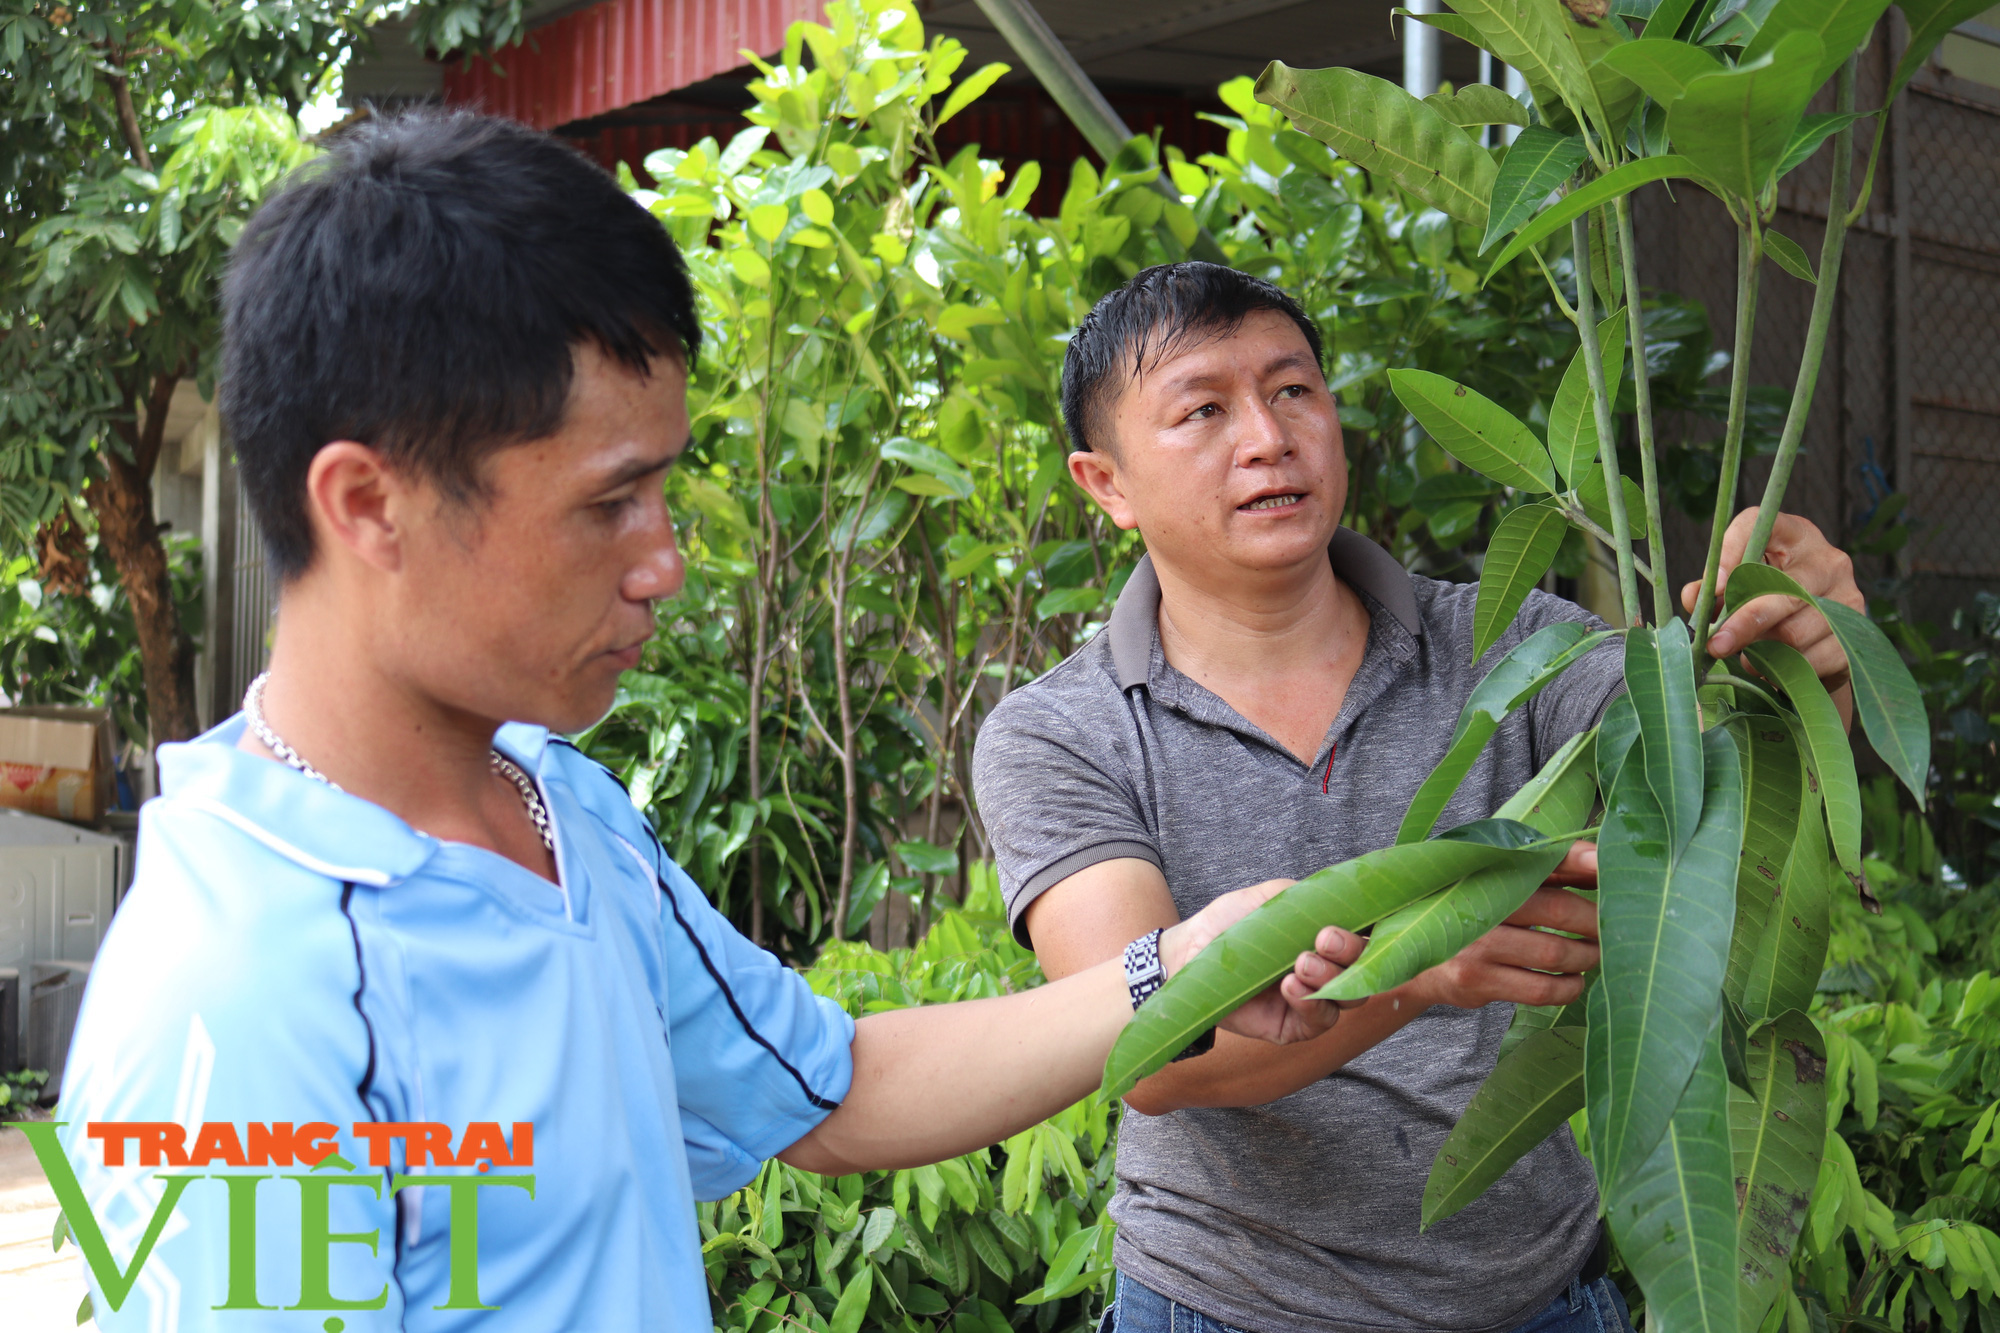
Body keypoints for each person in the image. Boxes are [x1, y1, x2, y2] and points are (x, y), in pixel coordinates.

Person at [44, 114, 1370, 1331]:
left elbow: (832, 1087)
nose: (664, 560)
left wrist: (1176, 969)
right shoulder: (238, 1005)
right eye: (610, 501)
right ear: (370, 504)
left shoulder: (554, 808)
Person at [971, 262, 1864, 1333]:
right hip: (1226, 1307)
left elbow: (1714, 792)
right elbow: (1154, 1052)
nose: (1266, 435)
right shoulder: (1058, 732)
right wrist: (1421, 973)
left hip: (1540, 1299)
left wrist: (1801, 663)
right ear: (1104, 483)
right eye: (1202, 408)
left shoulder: (1515, 646)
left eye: (1292, 389)